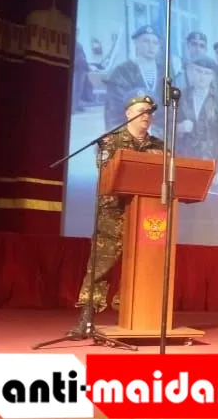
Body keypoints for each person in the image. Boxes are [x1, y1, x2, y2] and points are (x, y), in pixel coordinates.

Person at [68, 93, 164, 338]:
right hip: (113, 212)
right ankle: (86, 320)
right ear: (128, 114)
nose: (146, 116)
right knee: (101, 266)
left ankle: (135, 316)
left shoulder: (159, 146)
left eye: (149, 112)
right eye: (141, 111)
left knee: (142, 267)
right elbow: (107, 173)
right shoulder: (111, 142)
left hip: (144, 215)